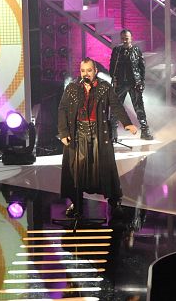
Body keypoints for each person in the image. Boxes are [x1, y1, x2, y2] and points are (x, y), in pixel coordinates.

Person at [57, 58, 138, 219]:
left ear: (95, 71)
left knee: (104, 168)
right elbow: (62, 109)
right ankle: (77, 203)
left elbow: (116, 105)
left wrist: (127, 123)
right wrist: (64, 132)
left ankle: (114, 203)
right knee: (76, 171)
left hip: (98, 133)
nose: (85, 74)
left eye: (89, 70)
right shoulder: (72, 88)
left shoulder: (104, 87)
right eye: (83, 71)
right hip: (78, 134)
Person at [108, 29, 153, 140]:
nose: (124, 40)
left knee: (139, 107)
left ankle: (145, 130)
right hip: (120, 83)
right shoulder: (117, 51)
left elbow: (142, 67)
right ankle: (113, 132)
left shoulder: (136, 50)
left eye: (126, 38)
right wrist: (113, 78)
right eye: (122, 38)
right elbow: (112, 66)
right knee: (116, 107)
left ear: (131, 38)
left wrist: (141, 82)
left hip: (134, 83)